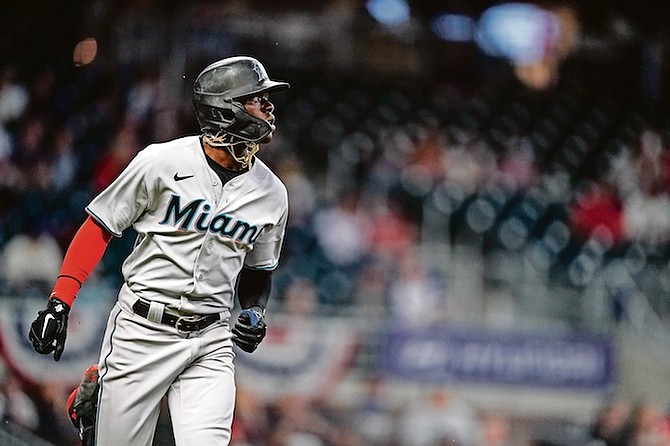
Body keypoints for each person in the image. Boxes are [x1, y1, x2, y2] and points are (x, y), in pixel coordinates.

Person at [27, 55, 290, 446]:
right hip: (142, 329)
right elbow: (100, 227)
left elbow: (258, 270)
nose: (268, 106)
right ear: (225, 108)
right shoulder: (161, 162)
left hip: (210, 339)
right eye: (256, 97)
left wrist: (255, 309)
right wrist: (60, 302)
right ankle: (99, 396)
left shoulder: (273, 194)